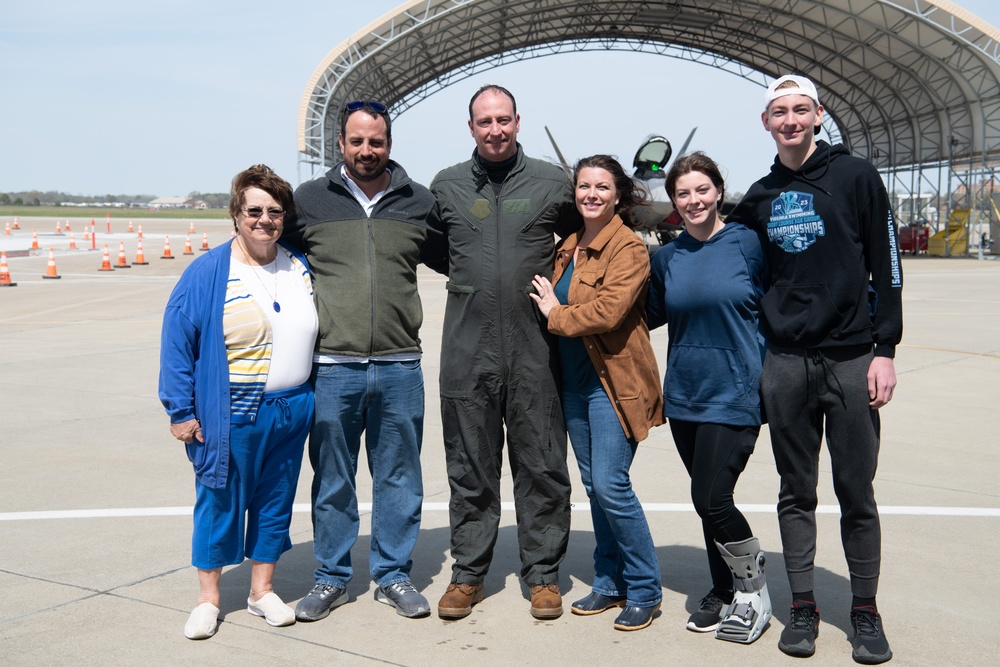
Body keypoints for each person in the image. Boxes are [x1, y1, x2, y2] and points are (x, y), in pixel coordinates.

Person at [729, 74, 902, 664]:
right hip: (785, 363)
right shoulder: (759, 195)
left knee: (857, 491)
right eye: (780, 111)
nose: (791, 120)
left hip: (853, 357)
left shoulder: (855, 176)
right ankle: (803, 607)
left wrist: (886, 349)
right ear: (766, 123)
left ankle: (865, 610)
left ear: (819, 115)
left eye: (801, 109)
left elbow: (888, 263)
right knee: (794, 492)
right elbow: (738, 270)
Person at [282, 100, 445, 622]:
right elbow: (271, 257)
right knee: (333, 478)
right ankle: (330, 578)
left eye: (376, 141)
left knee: (400, 477)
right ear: (341, 144)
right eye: (357, 141)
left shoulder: (419, 201)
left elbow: (459, 259)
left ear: (389, 144)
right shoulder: (308, 201)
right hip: (332, 367)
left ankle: (393, 574)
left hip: (400, 366)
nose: (366, 150)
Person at [429, 84, 578, 620]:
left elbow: (582, 238)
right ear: (471, 127)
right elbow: (433, 249)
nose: (494, 130)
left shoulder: (551, 184)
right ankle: (468, 574)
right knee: (470, 468)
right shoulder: (445, 186)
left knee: (541, 465)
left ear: (518, 122)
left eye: (503, 120)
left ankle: (543, 575)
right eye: (484, 122)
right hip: (468, 352)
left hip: (535, 350)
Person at [159, 164, 318, 640]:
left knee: (275, 501)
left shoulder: (297, 266)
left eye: (274, 211)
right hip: (230, 411)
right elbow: (176, 341)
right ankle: (208, 599)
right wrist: (180, 411)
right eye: (254, 210)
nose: (264, 219)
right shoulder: (210, 271)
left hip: (292, 409)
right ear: (236, 214)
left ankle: (260, 591)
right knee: (220, 499)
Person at [529, 155, 664, 631]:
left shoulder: (629, 247)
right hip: (574, 384)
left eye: (601, 187)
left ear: (618, 194)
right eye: (584, 186)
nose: (591, 194)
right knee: (595, 488)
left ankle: (645, 589)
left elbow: (608, 312)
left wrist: (554, 313)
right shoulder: (568, 244)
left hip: (612, 384)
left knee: (611, 485)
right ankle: (609, 582)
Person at [647, 152, 771, 643]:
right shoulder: (668, 257)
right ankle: (721, 590)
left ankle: (752, 590)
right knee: (707, 503)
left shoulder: (749, 244)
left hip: (735, 393)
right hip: (684, 397)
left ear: (718, 191)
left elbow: (789, 296)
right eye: (683, 193)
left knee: (711, 497)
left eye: (702, 190)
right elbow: (644, 316)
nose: (693, 200)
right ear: (674, 201)